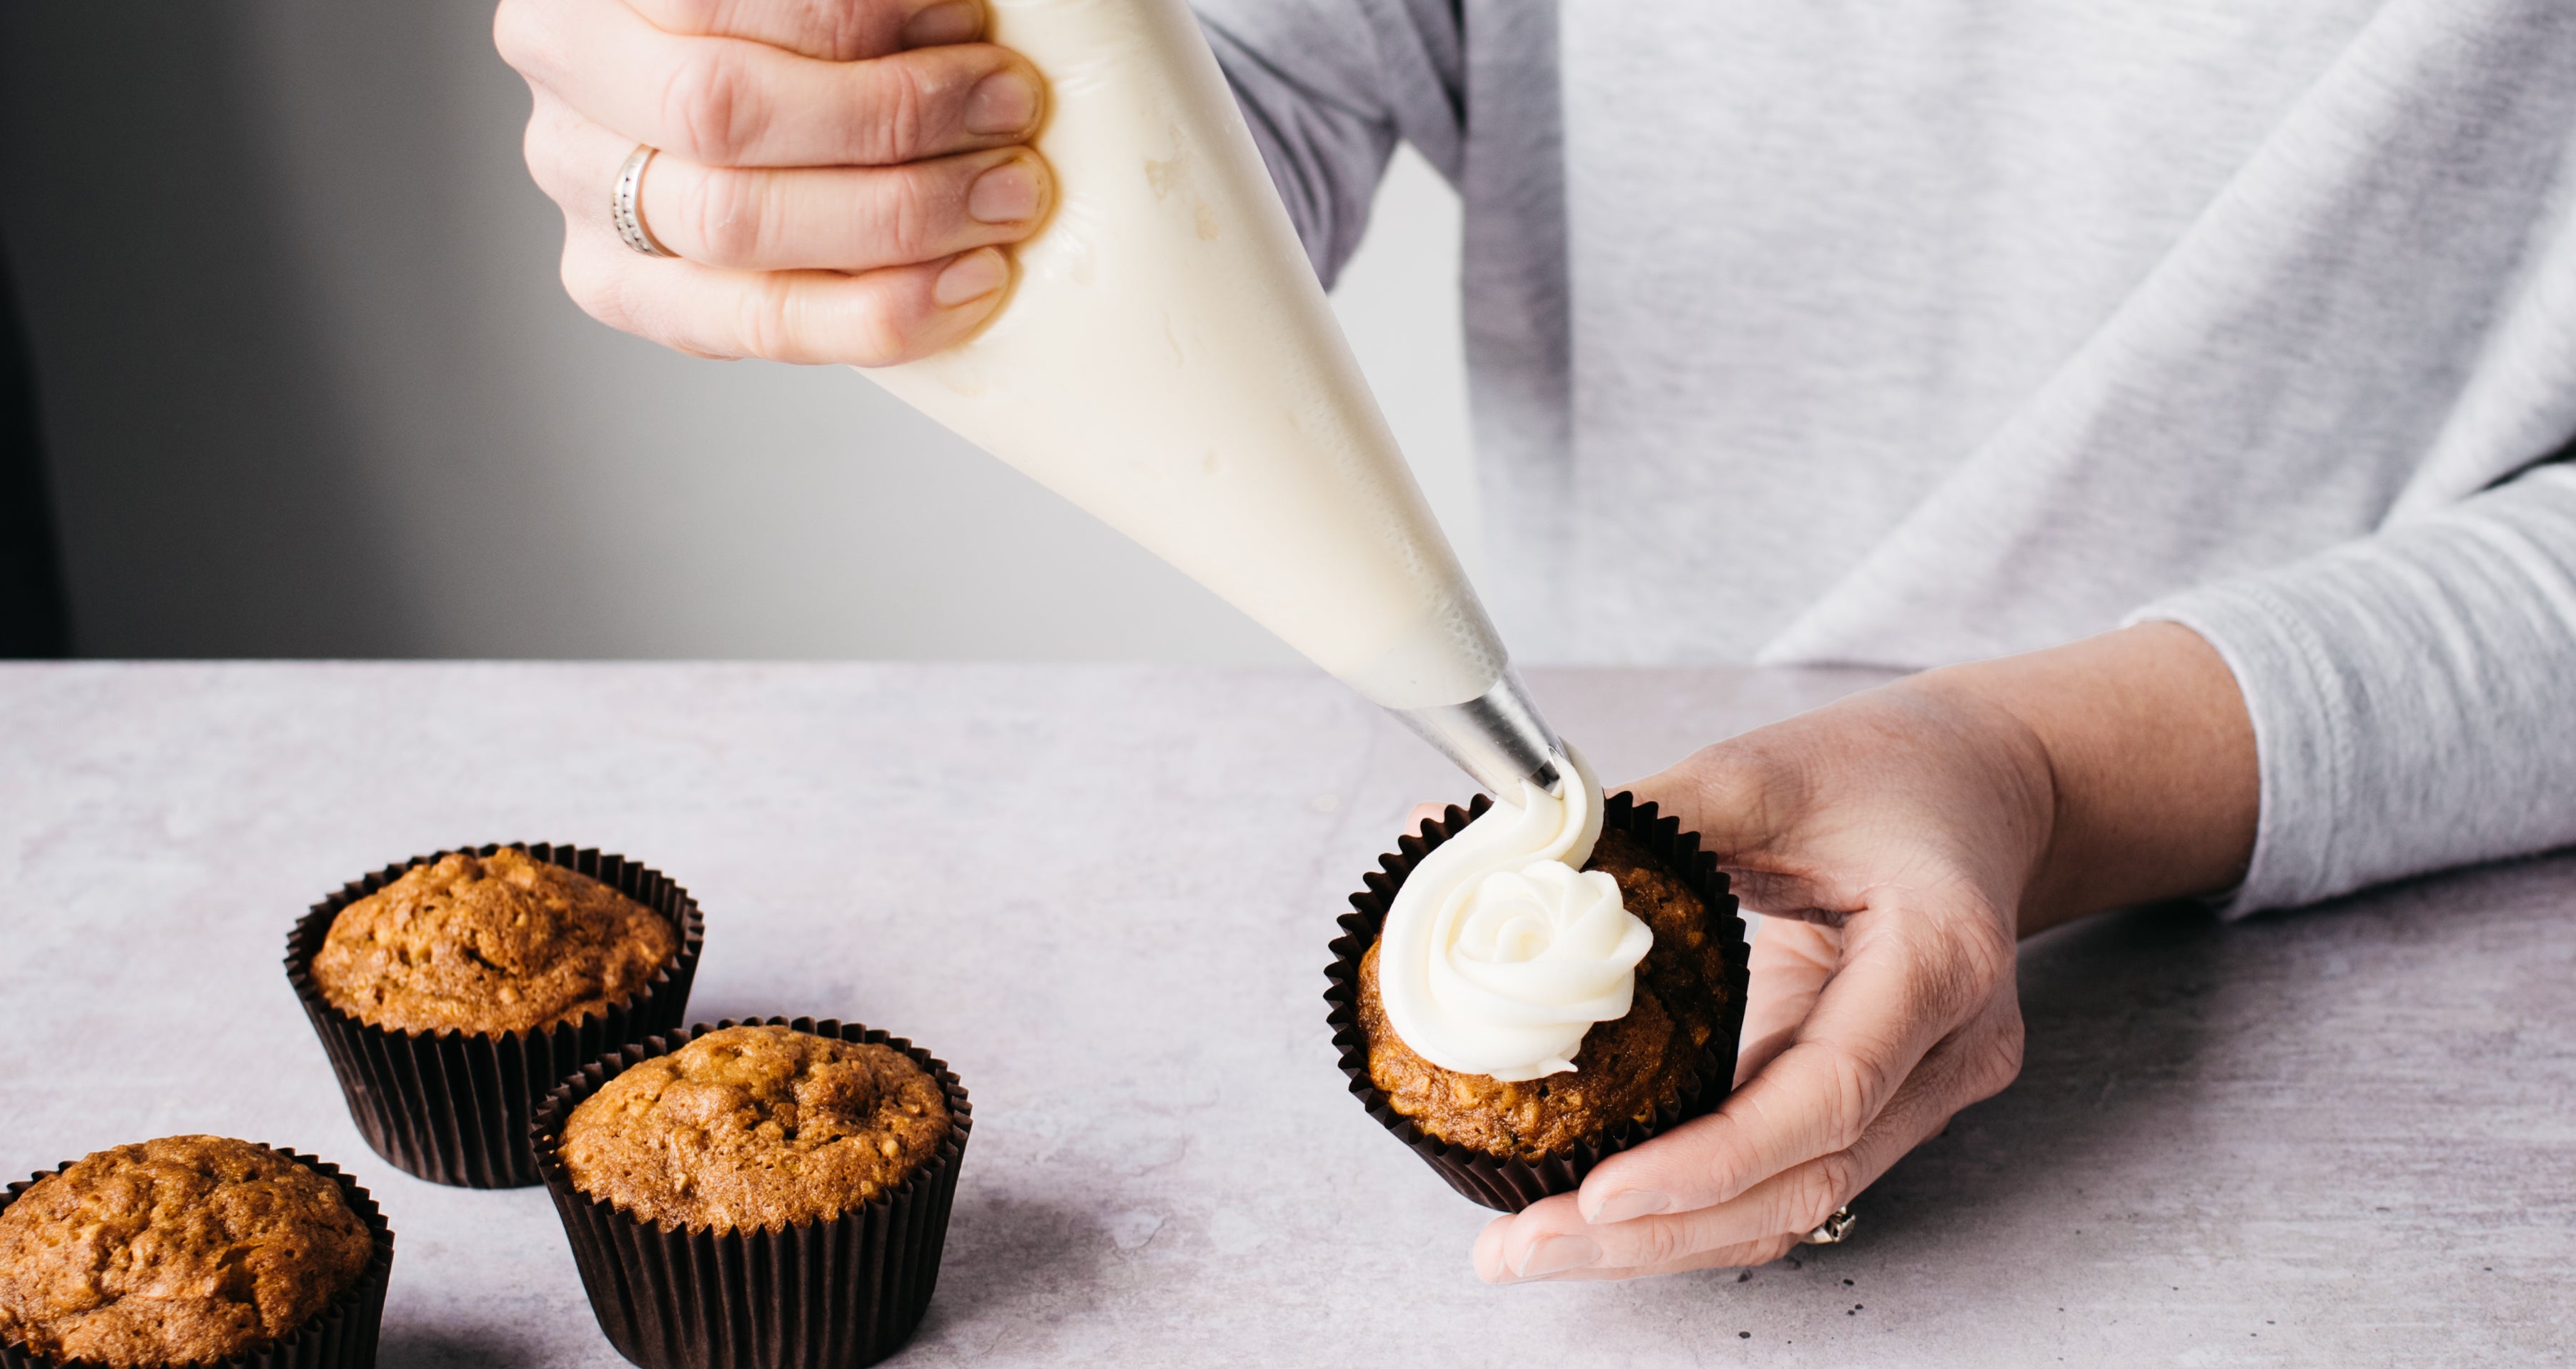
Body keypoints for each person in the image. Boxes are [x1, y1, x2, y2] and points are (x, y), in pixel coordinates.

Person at [495, 0, 2576, 1283]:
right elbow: (1203, 109)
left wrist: (2041, 766)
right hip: (1600, 791)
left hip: (2449, 1021)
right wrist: (860, 128)